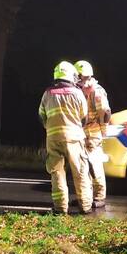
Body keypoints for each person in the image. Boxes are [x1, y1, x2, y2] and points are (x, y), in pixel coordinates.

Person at [39, 61, 92, 215]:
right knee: (80, 171)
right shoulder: (77, 93)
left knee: (57, 173)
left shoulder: (48, 93)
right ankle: (85, 206)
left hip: (53, 138)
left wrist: (50, 129)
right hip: (74, 137)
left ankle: (60, 208)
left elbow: (41, 115)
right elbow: (84, 117)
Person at [75, 60, 111, 209]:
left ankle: (99, 197)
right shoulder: (80, 90)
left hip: (93, 134)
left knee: (95, 165)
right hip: (83, 134)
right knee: (84, 167)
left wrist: (103, 131)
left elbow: (105, 112)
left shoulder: (96, 91)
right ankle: (87, 197)